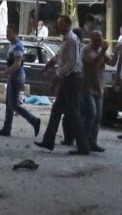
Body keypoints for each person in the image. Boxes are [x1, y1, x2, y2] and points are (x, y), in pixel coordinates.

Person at [38, 22, 89, 151]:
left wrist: (58, 76)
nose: (57, 26)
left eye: (60, 24)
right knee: (57, 111)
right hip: (69, 78)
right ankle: (48, 141)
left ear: (67, 25)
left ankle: (83, 146)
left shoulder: (71, 40)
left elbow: (71, 62)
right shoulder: (67, 40)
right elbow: (59, 58)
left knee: (74, 113)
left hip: (71, 78)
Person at [0, 32, 44, 137]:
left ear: (15, 33)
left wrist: (6, 72)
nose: (7, 35)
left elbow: (17, 64)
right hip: (13, 77)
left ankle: (33, 120)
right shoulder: (13, 45)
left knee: (13, 104)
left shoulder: (18, 46)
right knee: (9, 103)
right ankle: (6, 128)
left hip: (16, 77)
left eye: (9, 32)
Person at [83, 30, 110, 152]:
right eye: (97, 37)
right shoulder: (87, 50)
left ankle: (92, 142)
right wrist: (103, 51)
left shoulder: (100, 50)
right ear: (92, 39)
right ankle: (82, 140)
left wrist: (120, 52)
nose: (100, 40)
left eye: (101, 37)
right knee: (91, 114)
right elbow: (92, 63)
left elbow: (112, 62)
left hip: (99, 87)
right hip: (88, 87)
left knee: (97, 117)